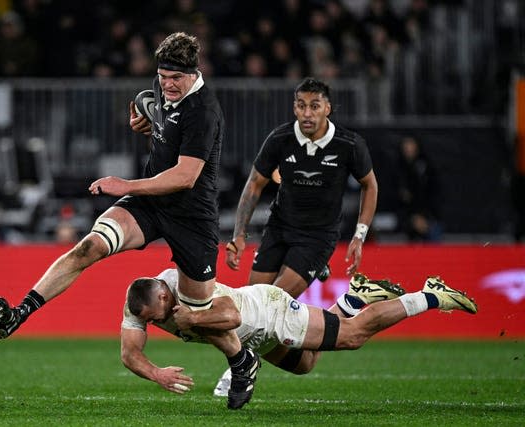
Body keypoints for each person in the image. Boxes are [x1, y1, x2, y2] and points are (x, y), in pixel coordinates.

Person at [0, 32, 258, 410]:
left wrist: (124, 184)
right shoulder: (164, 88)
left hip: (191, 216)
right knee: (89, 247)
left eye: (175, 79)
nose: (167, 85)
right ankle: (22, 312)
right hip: (150, 204)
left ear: (194, 73)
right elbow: (160, 120)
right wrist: (146, 124)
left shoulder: (204, 110)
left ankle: (241, 360)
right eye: (162, 77)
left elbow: (185, 176)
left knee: (195, 315)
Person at [121, 268, 477, 403]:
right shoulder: (139, 302)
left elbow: (230, 314)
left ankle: (428, 294)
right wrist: (156, 373)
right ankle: (355, 297)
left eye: (159, 316)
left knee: (352, 337)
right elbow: (129, 352)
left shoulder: (184, 287)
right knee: (305, 364)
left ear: (165, 296)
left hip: (268, 315)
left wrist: (193, 316)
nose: (157, 323)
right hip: (254, 337)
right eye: (152, 321)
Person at [225, 77, 378, 298]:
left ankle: (316, 266)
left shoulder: (349, 144)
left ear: (327, 108)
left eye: (314, 106)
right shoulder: (280, 139)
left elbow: (369, 185)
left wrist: (359, 235)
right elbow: (254, 184)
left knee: (272, 302)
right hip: (279, 228)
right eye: (301, 105)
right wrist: (238, 235)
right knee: (253, 302)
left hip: (317, 236)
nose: (307, 113)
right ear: (294, 108)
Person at [396, 135, 441, 242]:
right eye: (406, 146)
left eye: (411, 145)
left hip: (427, 215)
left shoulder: (426, 167)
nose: (408, 149)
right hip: (404, 216)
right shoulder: (397, 168)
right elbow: (398, 196)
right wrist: (412, 218)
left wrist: (424, 217)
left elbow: (431, 194)